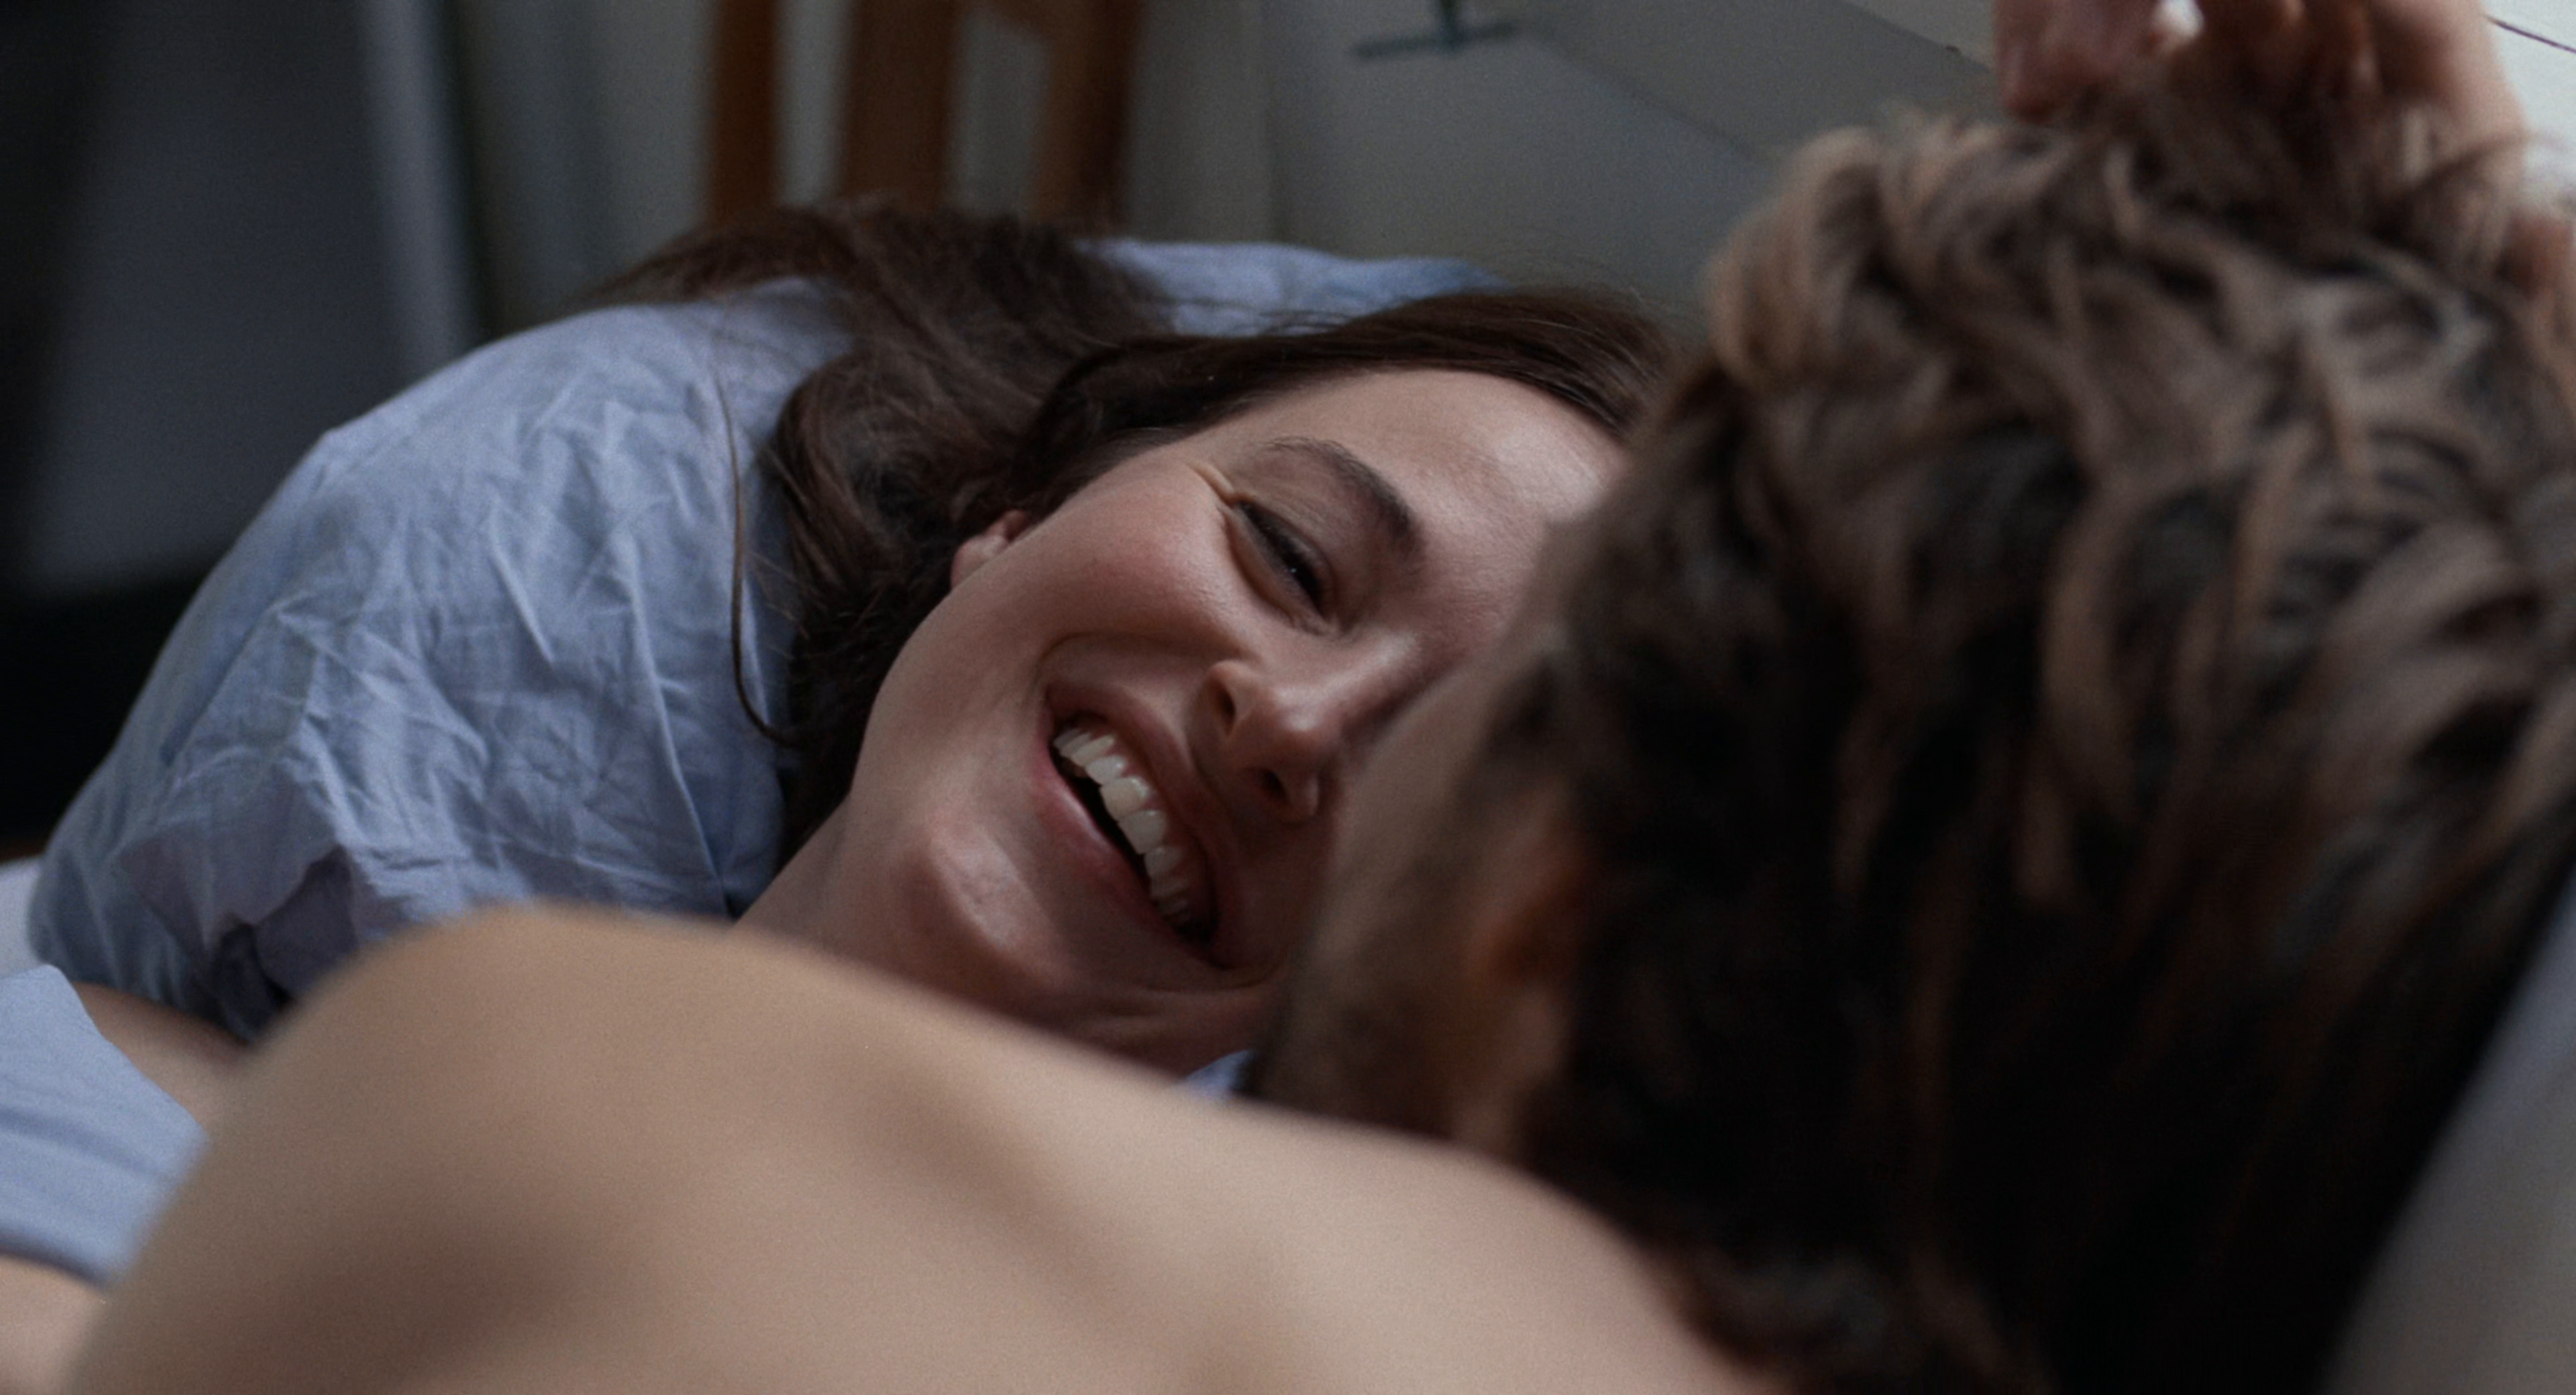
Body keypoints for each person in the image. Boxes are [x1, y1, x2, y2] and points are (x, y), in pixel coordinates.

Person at [54, 0, 2576, 1390]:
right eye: (1291, 555)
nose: (1304, 729)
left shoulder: (579, 1127)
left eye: (1500, 691)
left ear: (1557, 904)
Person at [0, 211, 1668, 1388]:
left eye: (1439, 760)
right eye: (1291, 553)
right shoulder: (118, 1083)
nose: (1292, 725)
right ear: (1016, 518)